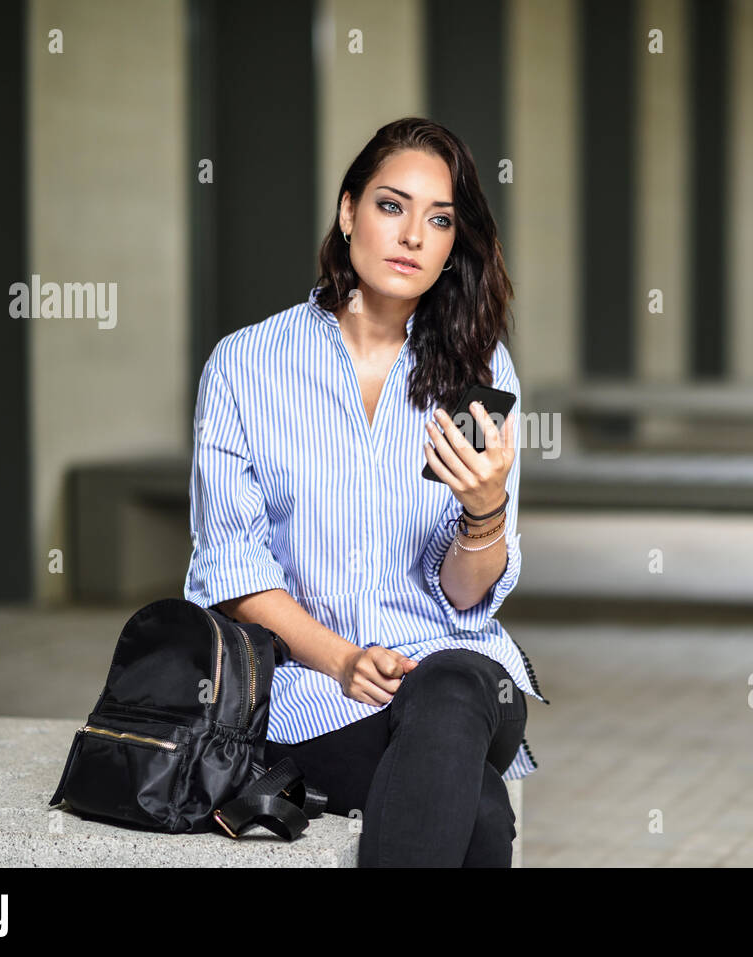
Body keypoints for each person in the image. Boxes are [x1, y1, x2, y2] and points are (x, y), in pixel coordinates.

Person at [183, 117, 549, 867]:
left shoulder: (477, 374)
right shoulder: (247, 366)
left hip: (464, 681)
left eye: (439, 218)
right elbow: (229, 566)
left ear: (454, 245)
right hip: (313, 695)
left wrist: (485, 511)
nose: (413, 234)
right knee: (477, 811)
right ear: (348, 212)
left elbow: (467, 595)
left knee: (452, 677)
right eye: (392, 205)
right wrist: (342, 660)